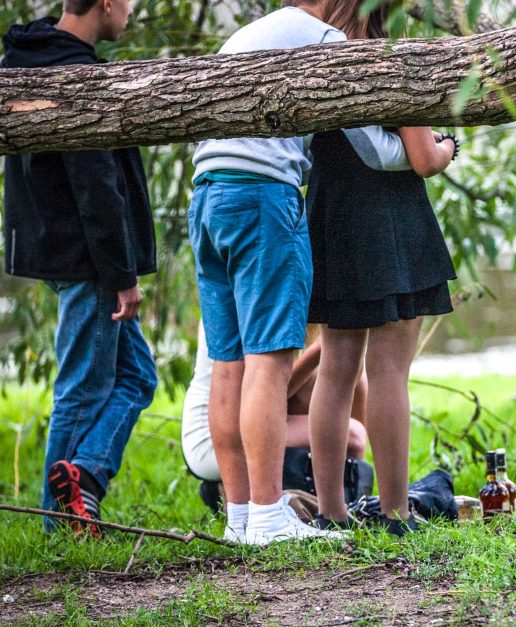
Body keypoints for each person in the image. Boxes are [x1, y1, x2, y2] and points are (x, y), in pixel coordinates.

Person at [188, 0, 351, 545]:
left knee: (227, 363)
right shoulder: (323, 37)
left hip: (208, 197)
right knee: (269, 362)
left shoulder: (246, 33)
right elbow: (372, 135)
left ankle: (240, 519)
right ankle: (267, 515)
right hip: (262, 198)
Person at [2, 0, 158, 536]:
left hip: (60, 250)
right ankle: (56, 523)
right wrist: (122, 275)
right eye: (130, 3)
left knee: (138, 377)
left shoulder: (26, 58)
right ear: (108, 4)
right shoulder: (76, 76)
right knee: (82, 388)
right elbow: (98, 189)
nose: (132, 13)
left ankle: (84, 473)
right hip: (90, 258)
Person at [305, 1, 459, 536]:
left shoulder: (312, 56)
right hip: (390, 217)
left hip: (331, 213)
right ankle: (395, 512)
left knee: (336, 366)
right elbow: (422, 157)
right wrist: (449, 145)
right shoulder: (388, 59)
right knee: (390, 368)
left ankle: (331, 512)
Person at [181, 322, 368, 504]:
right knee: (354, 434)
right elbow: (258, 395)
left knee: (348, 369)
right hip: (211, 441)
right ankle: (235, 492)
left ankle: (344, 490)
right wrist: (321, 347)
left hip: (245, 421)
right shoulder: (255, 303)